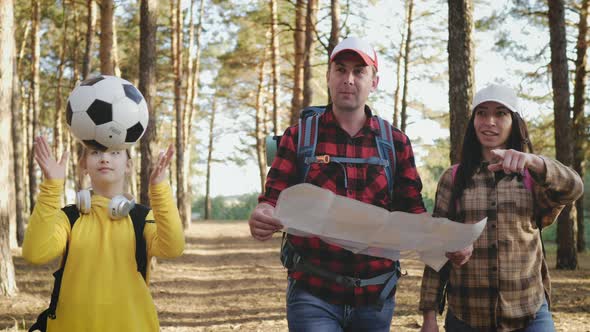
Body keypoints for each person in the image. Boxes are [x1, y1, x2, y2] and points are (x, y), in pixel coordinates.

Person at [249, 36, 426, 331]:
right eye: (341, 70)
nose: (349, 79)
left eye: (359, 71)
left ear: (374, 81)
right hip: (312, 292)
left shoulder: (395, 143)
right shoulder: (299, 138)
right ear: (329, 77)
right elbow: (272, 199)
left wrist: (443, 239)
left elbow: (412, 208)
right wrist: (263, 215)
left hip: (375, 296)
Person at [419, 84, 584, 332]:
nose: (490, 121)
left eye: (501, 113)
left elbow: (574, 188)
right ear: (473, 120)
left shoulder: (533, 175)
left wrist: (534, 161)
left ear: (514, 121)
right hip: (467, 316)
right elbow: (435, 251)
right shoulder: (453, 179)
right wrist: (429, 316)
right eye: (482, 113)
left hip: (529, 312)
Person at [23, 136, 185, 331]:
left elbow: (173, 248)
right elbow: (35, 253)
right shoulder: (70, 217)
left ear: (128, 165)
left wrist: (159, 189)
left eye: (115, 152)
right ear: (83, 164)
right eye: (95, 152)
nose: (104, 159)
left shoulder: (141, 218)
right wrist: (51, 186)